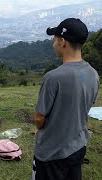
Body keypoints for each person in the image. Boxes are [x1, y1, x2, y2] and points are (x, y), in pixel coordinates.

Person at [32, 18, 99, 180]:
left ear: (62, 42)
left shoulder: (53, 77)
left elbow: (39, 119)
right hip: (77, 147)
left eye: (54, 40)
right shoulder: (93, 74)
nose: (53, 44)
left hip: (51, 153)